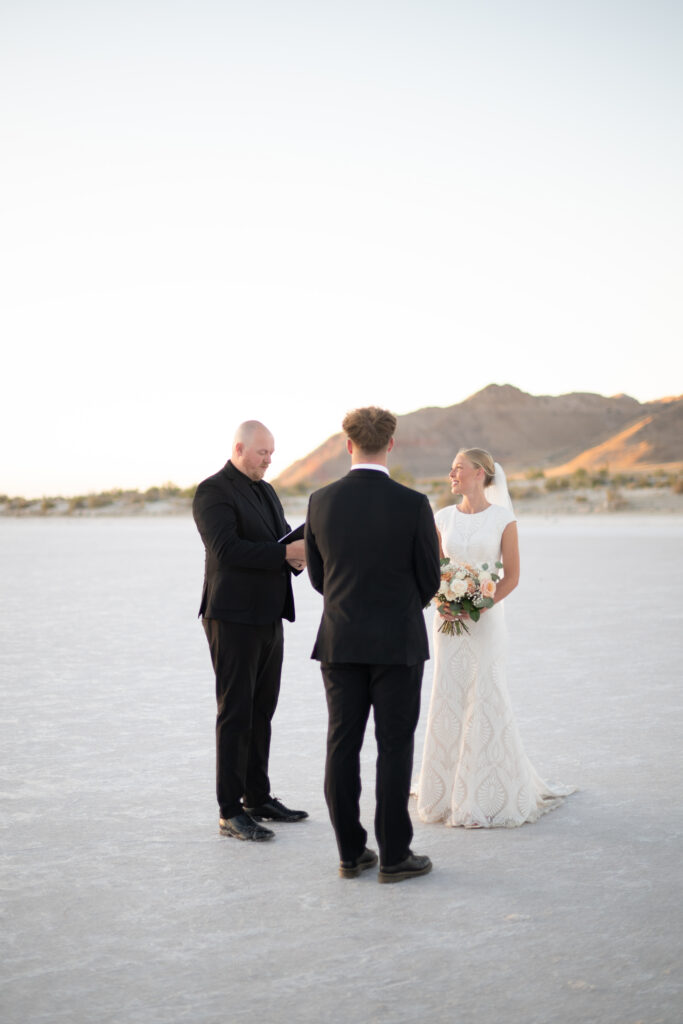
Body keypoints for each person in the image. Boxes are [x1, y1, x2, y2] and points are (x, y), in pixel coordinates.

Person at [305, 407, 441, 882]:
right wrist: (401, 607)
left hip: (340, 641)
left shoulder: (320, 501)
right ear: (391, 444)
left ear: (348, 445)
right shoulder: (413, 504)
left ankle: (349, 853)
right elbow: (430, 577)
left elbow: (320, 578)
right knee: (395, 745)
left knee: (341, 745)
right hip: (398, 643)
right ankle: (394, 856)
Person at [415, 447, 575, 828]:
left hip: (484, 621)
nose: (451, 475)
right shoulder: (442, 518)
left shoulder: (504, 519)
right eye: (451, 469)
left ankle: (487, 788)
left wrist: (477, 605)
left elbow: (512, 576)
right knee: (449, 692)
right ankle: (446, 790)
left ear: (481, 473)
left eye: (458, 469)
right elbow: (435, 568)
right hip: (447, 622)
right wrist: (443, 599)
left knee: (486, 692)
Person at [193, 420, 308, 842]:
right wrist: (284, 552)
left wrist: (295, 554)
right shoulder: (213, 491)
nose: (269, 459)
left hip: (268, 614)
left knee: (262, 710)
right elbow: (226, 550)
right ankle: (229, 811)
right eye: (263, 453)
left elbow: (277, 539)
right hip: (232, 616)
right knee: (236, 711)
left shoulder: (266, 489)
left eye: (272, 453)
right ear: (240, 448)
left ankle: (256, 797)